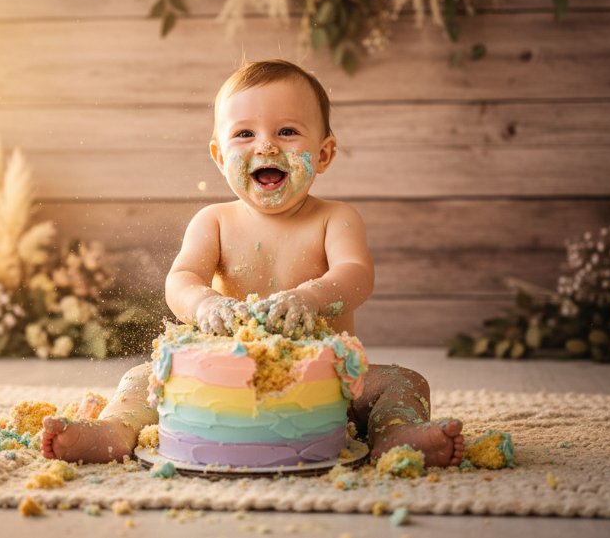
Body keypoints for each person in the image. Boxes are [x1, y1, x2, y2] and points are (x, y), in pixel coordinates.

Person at [41, 59, 463, 467]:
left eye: (287, 131)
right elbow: (182, 279)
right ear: (219, 157)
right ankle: (114, 430)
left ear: (324, 153)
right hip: (223, 386)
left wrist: (311, 297)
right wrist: (205, 304)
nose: (266, 145)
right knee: (140, 378)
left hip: (329, 385)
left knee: (403, 382)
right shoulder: (214, 221)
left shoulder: (336, 218)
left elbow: (357, 276)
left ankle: (394, 435)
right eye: (244, 133)